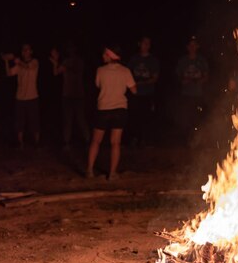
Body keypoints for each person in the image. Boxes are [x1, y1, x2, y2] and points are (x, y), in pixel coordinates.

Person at [86, 44, 137, 180]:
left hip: (103, 109)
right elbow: (134, 90)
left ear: (110, 56)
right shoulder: (125, 71)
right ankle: (112, 173)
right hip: (119, 110)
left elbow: (98, 85)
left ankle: (90, 170)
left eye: (104, 54)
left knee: (96, 141)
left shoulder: (100, 71)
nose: (102, 56)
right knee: (115, 142)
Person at [51, 43, 89, 149]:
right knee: (68, 120)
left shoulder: (79, 61)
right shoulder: (66, 61)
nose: (70, 50)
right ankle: (67, 142)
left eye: (72, 48)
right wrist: (55, 62)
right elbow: (56, 72)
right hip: (68, 95)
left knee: (80, 118)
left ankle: (87, 140)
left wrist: (60, 64)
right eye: (69, 48)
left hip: (78, 95)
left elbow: (73, 71)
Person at [3, 43, 40, 149]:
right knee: (19, 122)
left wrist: (16, 60)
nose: (25, 51)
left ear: (31, 51)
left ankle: (36, 143)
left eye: (27, 49)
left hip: (32, 96)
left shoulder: (35, 62)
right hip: (20, 97)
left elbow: (28, 67)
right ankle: (20, 143)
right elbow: (9, 73)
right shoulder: (19, 65)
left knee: (34, 121)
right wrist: (6, 60)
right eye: (23, 50)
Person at [127, 36, 160, 147]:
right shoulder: (134, 59)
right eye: (144, 43)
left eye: (148, 43)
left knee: (146, 117)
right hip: (135, 93)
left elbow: (155, 78)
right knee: (134, 116)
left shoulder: (153, 60)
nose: (146, 45)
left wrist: (142, 83)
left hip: (147, 93)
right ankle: (134, 138)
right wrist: (134, 84)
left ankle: (144, 139)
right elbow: (128, 75)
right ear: (139, 44)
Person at [176, 37, 208, 145]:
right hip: (186, 94)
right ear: (187, 47)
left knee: (197, 118)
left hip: (198, 94)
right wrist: (183, 80)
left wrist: (199, 81)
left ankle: (197, 141)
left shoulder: (201, 60)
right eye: (190, 45)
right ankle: (185, 140)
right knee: (186, 118)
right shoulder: (183, 61)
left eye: (194, 45)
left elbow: (206, 76)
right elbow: (178, 76)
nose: (192, 47)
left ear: (197, 47)